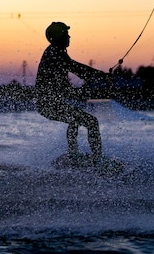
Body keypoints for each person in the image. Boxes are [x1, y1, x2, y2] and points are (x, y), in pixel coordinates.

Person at [35, 21, 108, 162]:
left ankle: (73, 155)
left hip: (46, 104)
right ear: (59, 37)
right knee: (91, 122)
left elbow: (73, 77)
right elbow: (76, 68)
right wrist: (100, 75)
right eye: (66, 34)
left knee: (74, 120)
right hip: (47, 104)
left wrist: (96, 77)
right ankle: (97, 160)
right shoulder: (55, 53)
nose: (69, 37)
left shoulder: (55, 52)